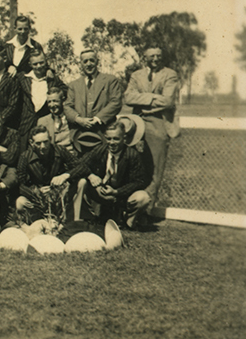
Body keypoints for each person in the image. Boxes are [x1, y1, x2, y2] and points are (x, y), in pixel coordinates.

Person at [124, 46, 180, 206]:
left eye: (158, 55)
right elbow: (128, 97)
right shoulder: (136, 75)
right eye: (152, 56)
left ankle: (147, 209)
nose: (155, 59)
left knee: (155, 169)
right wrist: (153, 98)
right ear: (144, 58)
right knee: (134, 166)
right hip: (137, 124)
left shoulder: (170, 74)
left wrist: (141, 100)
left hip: (158, 124)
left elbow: (168, 101)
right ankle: (131, 206)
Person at [69, 121, 151, 228]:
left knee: (143, 198)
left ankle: (129, 221)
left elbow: (138, 182)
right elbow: (81, 164)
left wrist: (116, 192)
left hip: (121, 196)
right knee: (82, 182)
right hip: (101, 192)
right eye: (109, 139)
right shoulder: (101, 150)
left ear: (124, 138)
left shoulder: (132, 155)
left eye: (116, 139)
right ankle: (79, 220)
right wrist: (91, 176)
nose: (112, 143)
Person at [16, 125, 80, 224]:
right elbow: (20, 183)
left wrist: (65, 175)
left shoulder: (60, 150)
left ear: (50, 139)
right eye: (38, 143)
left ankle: (73, 223)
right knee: (20, 202)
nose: (43, 146)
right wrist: (36, 191)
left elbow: (81, 167)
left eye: (45, 142)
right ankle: (35, 223)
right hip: (38, 197)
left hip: (60, 194)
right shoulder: (25, 157)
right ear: (31, 143)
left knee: (82, 182)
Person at [64, 49, 124, 149]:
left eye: (92, 60)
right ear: (81, 64)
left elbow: (116, 102)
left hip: (104, 133)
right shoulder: (74, 85)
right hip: (80, 135)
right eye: (85, 61)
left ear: (97, 62)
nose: (89, 64)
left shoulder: (110, 80)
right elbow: (67, 106)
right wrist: (79, 119)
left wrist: (97, 118)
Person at [20, 50, 68, 123]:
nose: (39, 66)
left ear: (46, 62)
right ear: (30, 64)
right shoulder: (22, 79)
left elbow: (66, 90)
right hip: (26, 125)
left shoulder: (52, 78)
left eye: (41, 63)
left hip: (47, 123)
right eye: (35, 64)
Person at [36, 88, 78, 156]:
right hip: (55, 159)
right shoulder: (42, 121)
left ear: (63, 100)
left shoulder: (73, 118)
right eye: (49, 102)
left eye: (55, 101)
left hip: (73, 156)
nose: (52, 105)